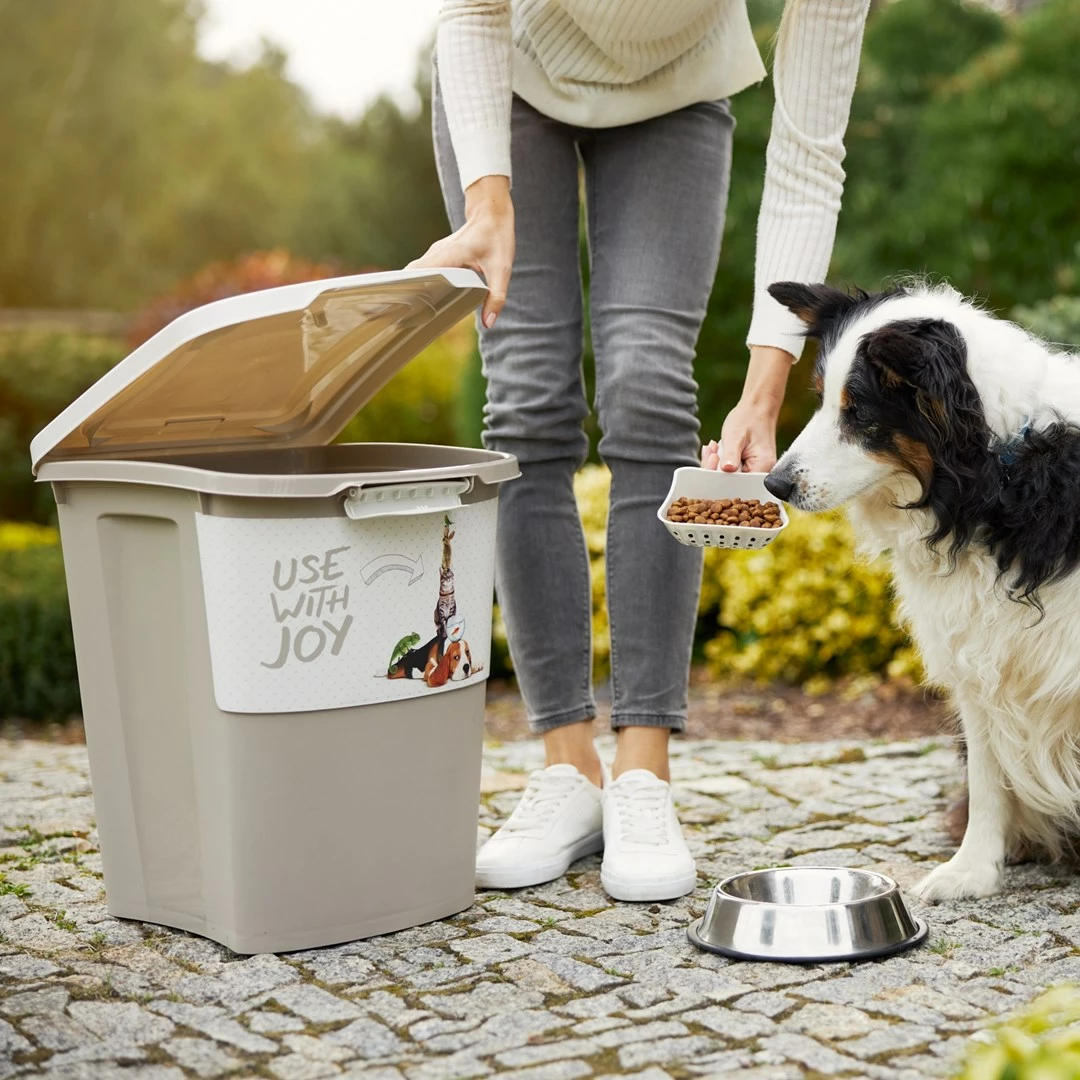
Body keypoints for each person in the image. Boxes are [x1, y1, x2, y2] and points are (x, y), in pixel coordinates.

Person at [410, 0, 870, 902]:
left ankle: (642, 771)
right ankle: (568, 766)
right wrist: (487, 200)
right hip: (509, 75)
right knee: (529, 399)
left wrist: (766, 385)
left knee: (649, 386)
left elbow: (809, 156)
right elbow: (471, 9)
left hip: (677, 94)